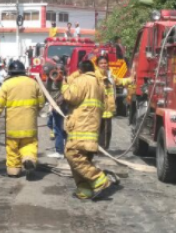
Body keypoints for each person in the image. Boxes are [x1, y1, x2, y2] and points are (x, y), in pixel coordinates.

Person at [61, 59, 112, 200]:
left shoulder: (82, 80)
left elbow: (71, 97)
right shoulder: (100, 83)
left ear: (81, 70)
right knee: (83, 158)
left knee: (72, 154)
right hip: (93, 126)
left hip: (81, 126)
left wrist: (65, 85)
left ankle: (98, 179)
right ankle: (84, 190)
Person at [0, 59, 45, 178]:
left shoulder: (6, 85)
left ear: (10, 72)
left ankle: (13, 171)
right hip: (29, 125)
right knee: (29, 145)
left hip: (12, 127)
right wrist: (36, 112)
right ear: (23, 71)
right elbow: (41, 102)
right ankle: (28, 158)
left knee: (12, 149)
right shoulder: (33, 83)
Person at [95, 53, 133, 150]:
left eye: (105, 63)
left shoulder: (110, 75)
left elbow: (119, 81)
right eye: (101, 63)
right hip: (98, 108)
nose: (104, 65)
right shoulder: (95, 76)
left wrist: (130, 79)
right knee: (99, 131)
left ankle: (103, 149)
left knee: (107, 131)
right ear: (97, 65)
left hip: (108, 109)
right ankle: (100, 149)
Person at [43, 58, 68, 159]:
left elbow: (65, 93)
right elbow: (47, 90)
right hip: (54, 107)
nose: (58, 73)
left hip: (60, 107)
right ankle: (67, 138)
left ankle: (60, 151)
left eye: (61, 71)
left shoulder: (64, 80)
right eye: (56, 70)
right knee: (51, 124)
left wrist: (59, 102)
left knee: (57, 128)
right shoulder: (51, 79)